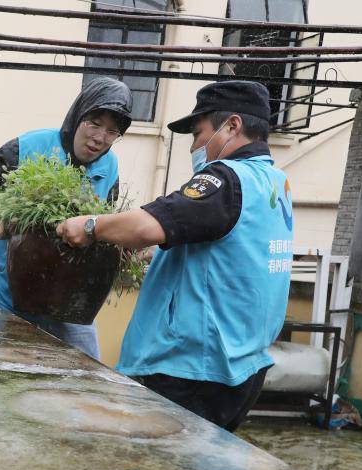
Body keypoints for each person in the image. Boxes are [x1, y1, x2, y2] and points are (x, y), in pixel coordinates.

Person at [56, 80, 293, 431]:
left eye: (198, 133)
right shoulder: (275, 183)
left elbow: (144, 226)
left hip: (190, 372)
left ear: (232, 126)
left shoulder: (226, 179)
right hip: (243, 365)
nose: (195, 146)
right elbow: (232, 250)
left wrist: (89, 226)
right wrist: (161, 256)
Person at [0, 76, 134, 360]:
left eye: (112, 131)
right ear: (77, 115)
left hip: (70, 307)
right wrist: (4, 210)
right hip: (6, 298)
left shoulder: (110, 167)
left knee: (85, 383)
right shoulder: (30, 146)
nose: (100, 137)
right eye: (94, 123)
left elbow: (106, 222)